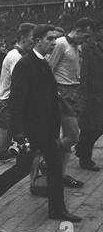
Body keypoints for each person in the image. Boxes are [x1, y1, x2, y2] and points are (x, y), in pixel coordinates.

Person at [9, 24, 81, 222]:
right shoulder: (25, 64)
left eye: (55, 39)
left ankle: (57, 209)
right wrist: (18, 134)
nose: (53, 43)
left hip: (47, 129)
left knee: (56, 167)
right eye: (49, 39)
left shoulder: (43, 63)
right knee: (22, 169)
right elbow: (16, 101)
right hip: (33, 130)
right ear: (37, 40)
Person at [48, 17, 95, 188]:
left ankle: (60, 174)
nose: (87, 40)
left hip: (74, 92)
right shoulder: (60, 43)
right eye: (86, 35)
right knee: (73, 136)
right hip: (61, 93)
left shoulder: (78, 46)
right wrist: (56, 92)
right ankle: (47, 157)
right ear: (78, 30)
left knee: (67, 136)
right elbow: (48, 69)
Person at [0, 23, 35, 169]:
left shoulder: (24, 55)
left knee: (15, 144)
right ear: (23, 38)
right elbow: (21, 84)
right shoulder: (15, 56)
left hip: (13, 104)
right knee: (1, 147)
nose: (34, 41)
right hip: (6, 105)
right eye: (32, 38)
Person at [75, 24, 103, 171]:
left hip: (99, 94)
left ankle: (81, 149)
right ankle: (85, 158)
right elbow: (84, 74)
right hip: (92, 95)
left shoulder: (98, 46)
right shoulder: (87, 47)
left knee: (91, 128)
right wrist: (83, 96)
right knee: (92, 128)